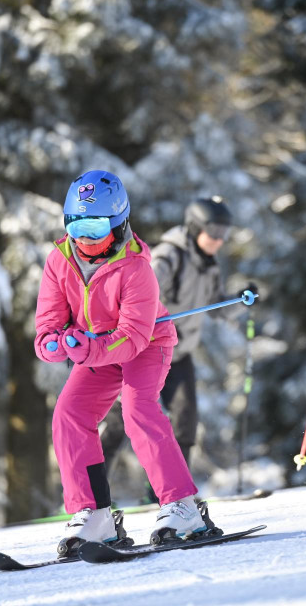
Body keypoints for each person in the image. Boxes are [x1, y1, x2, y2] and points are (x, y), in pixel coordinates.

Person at [35, 170, 209, 555]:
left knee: (137, 408)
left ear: (118, 223)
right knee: (68, 413)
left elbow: (132, 338)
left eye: (96, 227)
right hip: (95, 350)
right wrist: (51, 344)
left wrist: (85, 350)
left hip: (146, 346)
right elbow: (48, 321)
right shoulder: (58, 261)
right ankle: (94, 514)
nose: (85, 237)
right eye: (77, 225)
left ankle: (183, 506)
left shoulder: (137, 268)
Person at [101, 196, 255, 484]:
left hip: (178, 353)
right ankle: (92, 492)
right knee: (121, 422)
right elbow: (139, 294)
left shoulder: (208, 266)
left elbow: (215, 305)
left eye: (225, 233)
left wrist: (239, 301)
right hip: (145, 351)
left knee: (185, 422)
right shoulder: (167, 257)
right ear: (197, 228)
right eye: (215, 232)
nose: (220, 240)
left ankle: (172, 490)